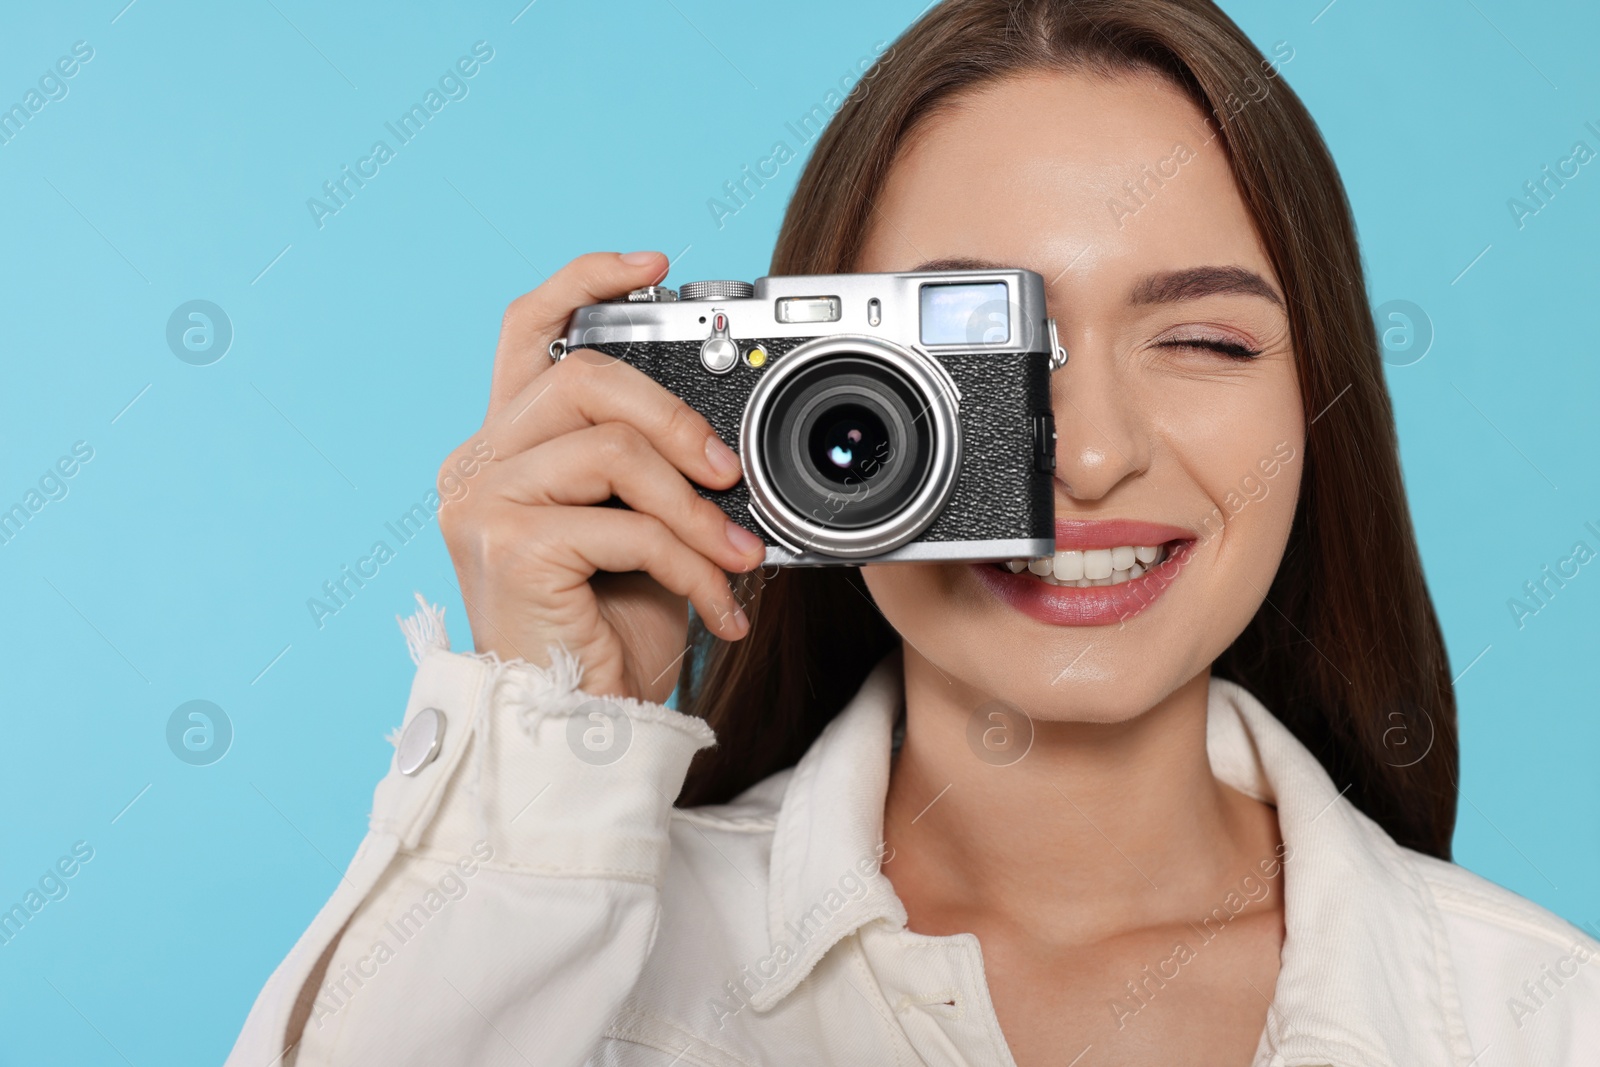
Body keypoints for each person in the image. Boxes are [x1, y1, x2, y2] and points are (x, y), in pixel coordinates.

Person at [226, 1, 1600, 1063]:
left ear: (1321, 403)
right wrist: (553, 723)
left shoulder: (1535, 1017)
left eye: (1200, 336)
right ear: (802, 406)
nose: (1099, 450)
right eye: (977, 349)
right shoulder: (588, 951)